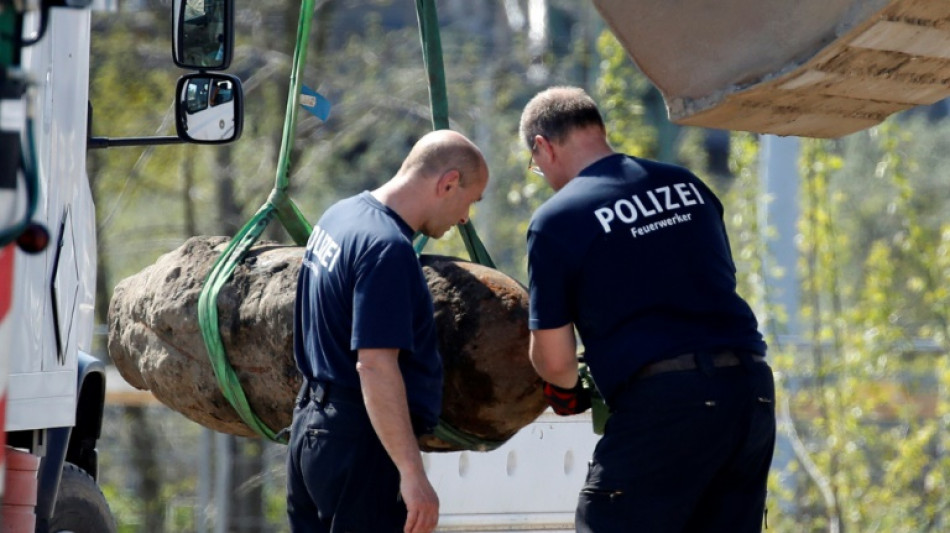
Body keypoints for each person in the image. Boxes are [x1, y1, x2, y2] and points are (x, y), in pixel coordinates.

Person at [520, 86, 776, 532]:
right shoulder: (688, 185)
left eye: (534, 162)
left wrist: (561, 380)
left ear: (543, 146)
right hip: (749, 393)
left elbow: (558, 363)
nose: (540, 172)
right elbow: (716, 282)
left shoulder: (556, 220)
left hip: (667, 405)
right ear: (597, 129)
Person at [287, 129, 489, 533]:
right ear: (448, 183)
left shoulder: (340, 215)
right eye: (469, 201)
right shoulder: (388, 250)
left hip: (310, 428)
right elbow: (375, 367)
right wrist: (412, 474)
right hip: (358, 445)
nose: (464, 217)